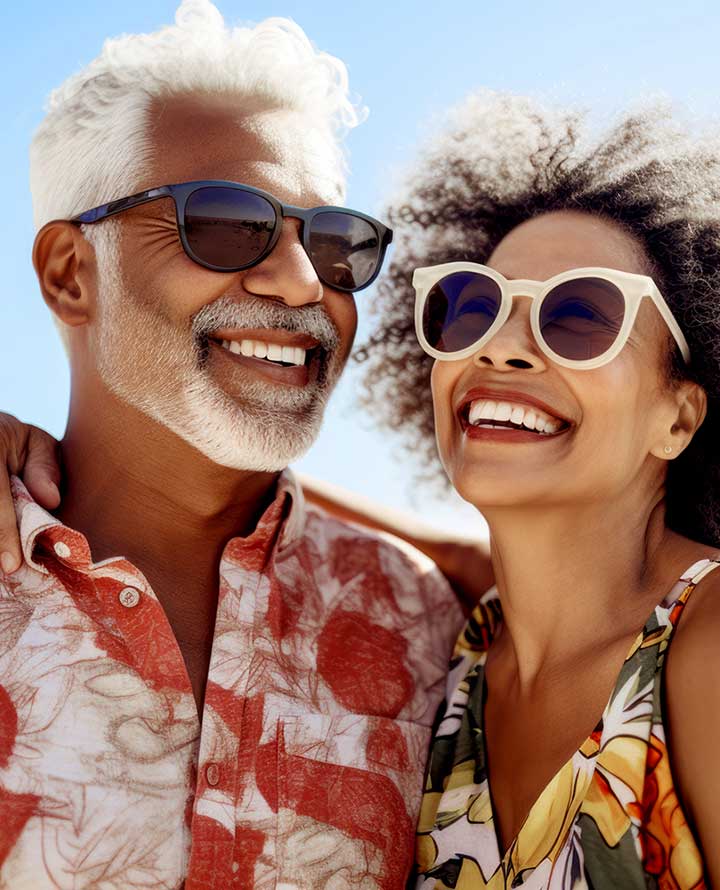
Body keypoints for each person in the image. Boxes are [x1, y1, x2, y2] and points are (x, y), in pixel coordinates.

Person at [0, 2, 470, 888]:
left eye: (335, 243)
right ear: (71, 272)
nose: (301, 284)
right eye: (221, 222)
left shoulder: (430, 629)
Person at [352, 94, 720, 888]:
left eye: (582, 315)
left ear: (678, 417)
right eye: (475, 308)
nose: (505, 348)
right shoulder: (466, 642)